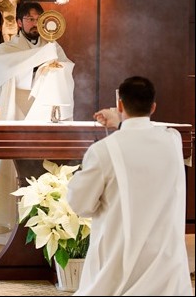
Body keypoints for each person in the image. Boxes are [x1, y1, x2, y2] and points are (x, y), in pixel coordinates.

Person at [67, 76, 193, 296]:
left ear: (120, 104)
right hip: (166, 268)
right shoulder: (173, 141)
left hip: (121, 263)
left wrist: (120, 121)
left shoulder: (104, 150)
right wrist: (122, 121)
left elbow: (80, 204)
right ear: (153, 107)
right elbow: (150, 130)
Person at [0, 2, 75, 245]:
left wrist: (54, 68)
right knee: (10, 170)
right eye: (29, 19)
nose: (34, 23)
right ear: (19, 22)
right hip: (16, 112)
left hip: (43, 112)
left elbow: (67, 68)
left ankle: (44, 231)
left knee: (43, 167)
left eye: (38, 18)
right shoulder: (7, 47)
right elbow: (9, 69)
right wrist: (44, 60)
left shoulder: (53, 46)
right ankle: (7, 231)